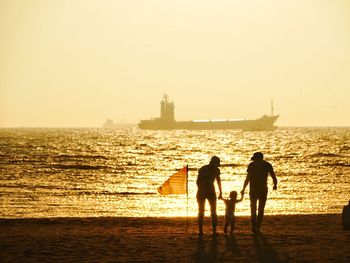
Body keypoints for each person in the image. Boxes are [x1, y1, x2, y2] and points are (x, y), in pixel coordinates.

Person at [241, 152, 277, 234]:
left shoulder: (252, 165)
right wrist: (275, 184)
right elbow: (273, 176)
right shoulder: (267, 165)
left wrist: (243, 189)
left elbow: (248, 178)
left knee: (253, 208)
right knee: (261, 208)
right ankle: (257, 227)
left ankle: (254, 227)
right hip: (263, 189)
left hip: (253, 189)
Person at [196, 156, 223, 236]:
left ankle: (211, 231)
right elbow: (198, 181)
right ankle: (201, 231)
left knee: (211, 211)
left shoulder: (206, 169)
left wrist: (221, 192)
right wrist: (202, 189)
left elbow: (218, 181)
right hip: (206, 190)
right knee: (204, 211)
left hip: (208, 190)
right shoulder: (206, 169)